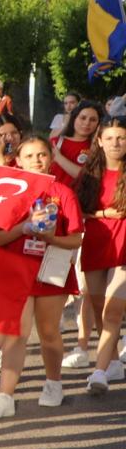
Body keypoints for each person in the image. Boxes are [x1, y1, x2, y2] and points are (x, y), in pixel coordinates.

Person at [0, 136, 83, 417]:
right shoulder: (9, 190)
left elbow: (76, 239)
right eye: (30, 155)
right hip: (13, 272)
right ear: (17, 160)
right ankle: (5, 397)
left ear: (51, 157)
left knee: (48, 333)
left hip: (49, 272)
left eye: (42, 155)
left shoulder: (63, 193)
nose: (37, 160)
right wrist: (23, 229)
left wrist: (49, 237)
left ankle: (53, 383)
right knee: (15, 334)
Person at [75, 117, 126, 395]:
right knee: (97, 310)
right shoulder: (90, 173)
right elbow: (78, 210)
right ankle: (114, 361)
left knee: (112, 311)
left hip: (125, 244)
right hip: (97, 240)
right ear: (99, 141)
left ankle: (98, 372)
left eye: (121, 138)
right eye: (110, 138)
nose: (116, 143)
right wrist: (104, 214)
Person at [52, 98, 103, 185]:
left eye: (93, 120)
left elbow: (88, 178)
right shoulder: (55, 142)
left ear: (98, 124)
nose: (87, 123)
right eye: (83, 118)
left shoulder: (98, 147)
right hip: (53, 196)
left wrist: (59, 158)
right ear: (74, 118)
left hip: (80, 197)